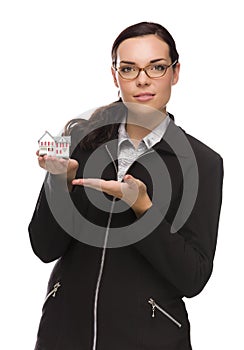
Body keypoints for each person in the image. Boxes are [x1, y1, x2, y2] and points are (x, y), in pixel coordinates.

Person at [29, 21, 224, 350]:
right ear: (115, 75)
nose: (143, 79)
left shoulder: (202, 162)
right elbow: (44, 248)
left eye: (156, 67)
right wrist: (59, 183)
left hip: (149, 339)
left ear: (175, 73)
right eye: (129, 68)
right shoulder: (79, 139)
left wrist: (143, 209)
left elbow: (193, 277)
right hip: (63, 334)